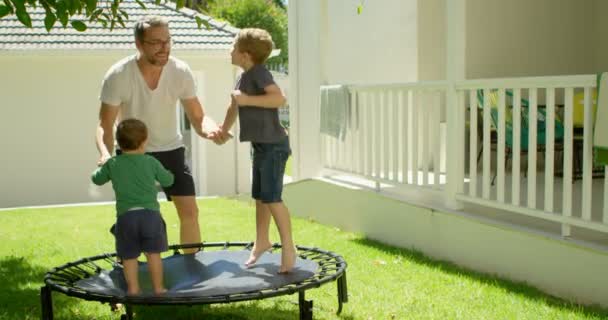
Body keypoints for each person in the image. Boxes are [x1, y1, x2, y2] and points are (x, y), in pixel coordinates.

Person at [95, 15, 214, 253]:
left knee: (190, 211)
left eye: (167, 41)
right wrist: (106, 154)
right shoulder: (118, 75)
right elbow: (104, 124)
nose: (164, 47)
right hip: (132, 152)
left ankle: (192, 268)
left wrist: (211, 130)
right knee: (136, 214)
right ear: (139, 44)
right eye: (156, 42)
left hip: (171, 148)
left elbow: (199, 117)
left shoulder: (180, 71)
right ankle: (129, 268)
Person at [214, 28, 296, 273]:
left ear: (245, 55)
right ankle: (262, 241)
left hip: (273, 146)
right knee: (260, 196)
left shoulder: (259, 73)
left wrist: (247, 100)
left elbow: (278, 98)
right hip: (261, 146)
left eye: (233, 48)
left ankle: (289, 248)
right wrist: (222, 130)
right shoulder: (243, 76)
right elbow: (233, 107)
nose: (230, 51)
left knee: (272, 198)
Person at [92, 119, 173, 295]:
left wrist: (102, 162)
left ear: (119, 143)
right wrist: (170, 173)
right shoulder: (150, 162)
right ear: (144, 141)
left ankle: (133, 289)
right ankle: (159, 288)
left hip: (126, 218)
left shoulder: (113, 163)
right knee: (153, 254)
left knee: (129, 257)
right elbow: (168, 180)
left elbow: (96, 179)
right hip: (150, 217)